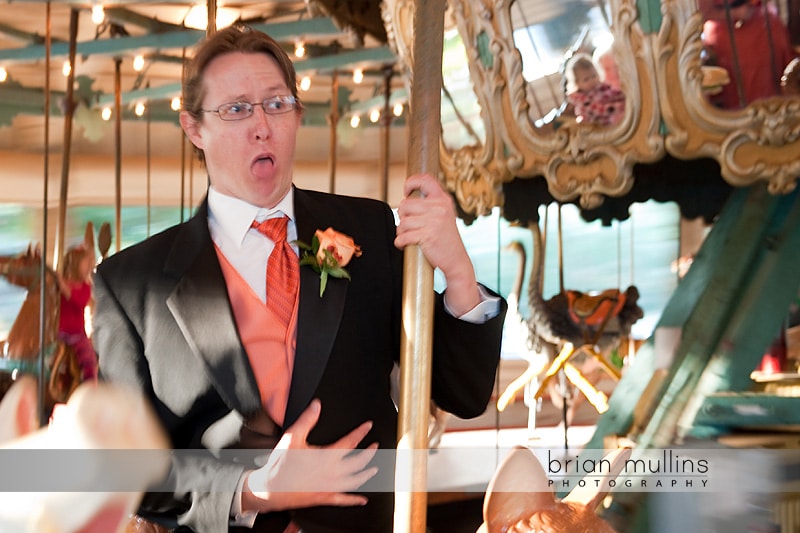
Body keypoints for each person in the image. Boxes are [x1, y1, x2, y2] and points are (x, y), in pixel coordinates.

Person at [92, 24, 507, 533]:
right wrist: (249, 491)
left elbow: (462, 394)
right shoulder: (130, 284)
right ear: (193, 128)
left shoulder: (370, 232)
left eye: (277, 104)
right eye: (237, 109)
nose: (262, 125)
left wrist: (459, 272)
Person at [701, 0, 798, 109]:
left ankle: (781, 110)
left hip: (760, 17)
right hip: (724, 26)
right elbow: (701, 13)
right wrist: (736, 12)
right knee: (749, 61)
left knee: (777, 37)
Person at [57, 244, 97, 382]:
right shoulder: (60, 284)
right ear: (76, 263)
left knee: (89, 358)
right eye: (87, 264)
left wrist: (63, 286)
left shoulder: (86, 287)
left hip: (76, 335)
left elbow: (79, 301)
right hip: (58, 332)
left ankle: (90, 384)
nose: (90, 267)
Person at [564, 53, 626, 127]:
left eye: (594, 76)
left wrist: (624, 96)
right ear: (577, 83)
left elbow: (614, 93)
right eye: (586, 79)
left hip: (609, 117)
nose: (592, 81)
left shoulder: (601, 87)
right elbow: (597, 110)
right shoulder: (581, 99)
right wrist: (619, 106)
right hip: (594, 124)